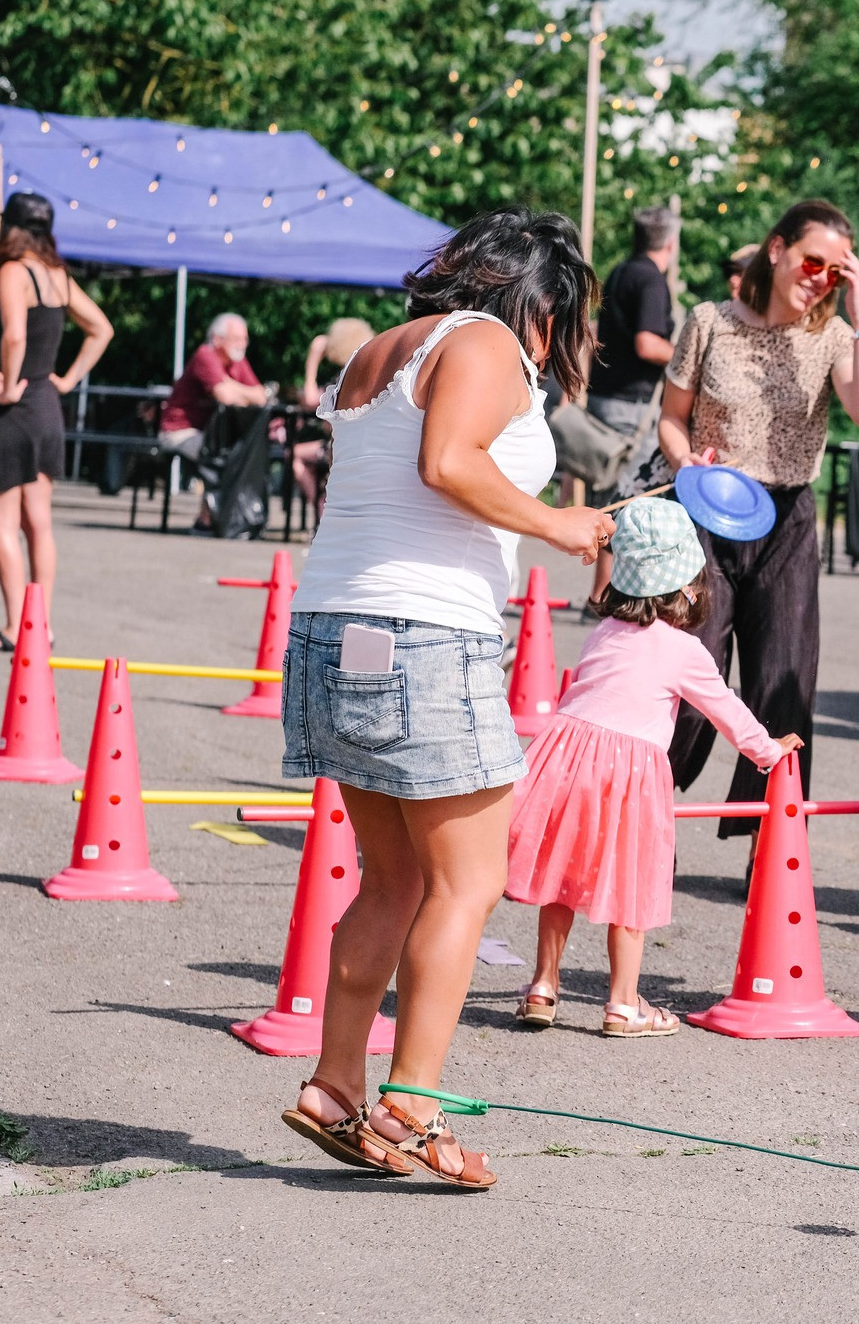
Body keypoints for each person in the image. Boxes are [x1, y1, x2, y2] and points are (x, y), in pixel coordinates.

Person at [277, 207, 614, 1189]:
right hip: (428, 637)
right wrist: (556, 524)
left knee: (391, 881)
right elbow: (448, 463)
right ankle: (412, 1107)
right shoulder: (487, 344)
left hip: (332, 628)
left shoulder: (377, 349)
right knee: (468, 882)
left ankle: (336, 1089)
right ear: (537, 300)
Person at [506, 499, 802, 1038]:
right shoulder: (683, 650)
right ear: (687, 586)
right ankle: (623, 1003)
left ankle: (543, 986)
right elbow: (727, 710)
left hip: (566, 758)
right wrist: (768, 751)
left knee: (561, 881)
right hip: (629, 772)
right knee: (630, 887)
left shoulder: (605, 632)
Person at [659, 199, 859, 842]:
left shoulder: (833, 338)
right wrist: (686, 461)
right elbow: (671, 417)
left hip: (786, 517)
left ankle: (773, 844)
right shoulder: (709, 321)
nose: (819, 277)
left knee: (785, 681)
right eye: (812, 260)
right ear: (777, 248)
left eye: (835, 271)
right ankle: (651, 820)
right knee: (690, 671)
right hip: (707, 506)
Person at [0, 193, 112, 652]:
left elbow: (13, 333)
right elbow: (101, 328)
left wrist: (10, 384)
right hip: (47, 406)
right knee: (39, 523)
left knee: (4, 523)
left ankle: (14, 626)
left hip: (13, 407)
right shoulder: (57, 276)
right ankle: (40, 625)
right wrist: (65, 380)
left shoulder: (13, 271)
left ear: (8, 227)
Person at [161, 312, 268, 533]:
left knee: (233, 454)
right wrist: (234, 389)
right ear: (218, 339)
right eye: (237, 338)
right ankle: (206, 519)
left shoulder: (236, 361)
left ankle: (221, 517)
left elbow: (261, 396)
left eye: (245, 339)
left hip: (208, 434)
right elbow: (225, 397)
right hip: (179, 431)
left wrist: (230, 384)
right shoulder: (206, 355)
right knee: (220, 457)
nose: (243, 344)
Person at [590, 205, 680, 451]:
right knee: (627, 488)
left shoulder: (621, 270)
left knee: (602, 485)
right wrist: (686, 358)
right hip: (630, 407)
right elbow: (647, 345)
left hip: (602, 395)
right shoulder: (651, 280)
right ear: (671, 243)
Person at [289, 317, 378, 515]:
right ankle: (323, 506)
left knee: (293, 454)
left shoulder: (346, 374)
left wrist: (313, 356)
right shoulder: (361, 372)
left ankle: (321, 508)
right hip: (357, 444)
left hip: (338, 446)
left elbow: (311, 398)